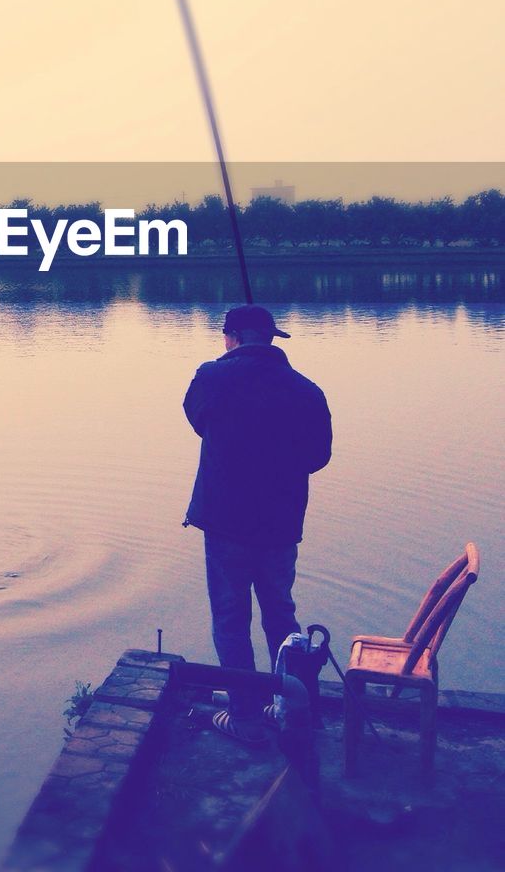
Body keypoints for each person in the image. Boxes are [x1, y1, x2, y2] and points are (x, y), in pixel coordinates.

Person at [183, 304, 332, 744]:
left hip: (226, 525)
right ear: (271, 340)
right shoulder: (307, 391)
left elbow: (196, 419)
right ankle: (290, 707)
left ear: (230, 337)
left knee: (230, 621)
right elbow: (318, 457)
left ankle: (245, 717)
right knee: (281, 616)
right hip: (281, 526)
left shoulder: (210, 377)